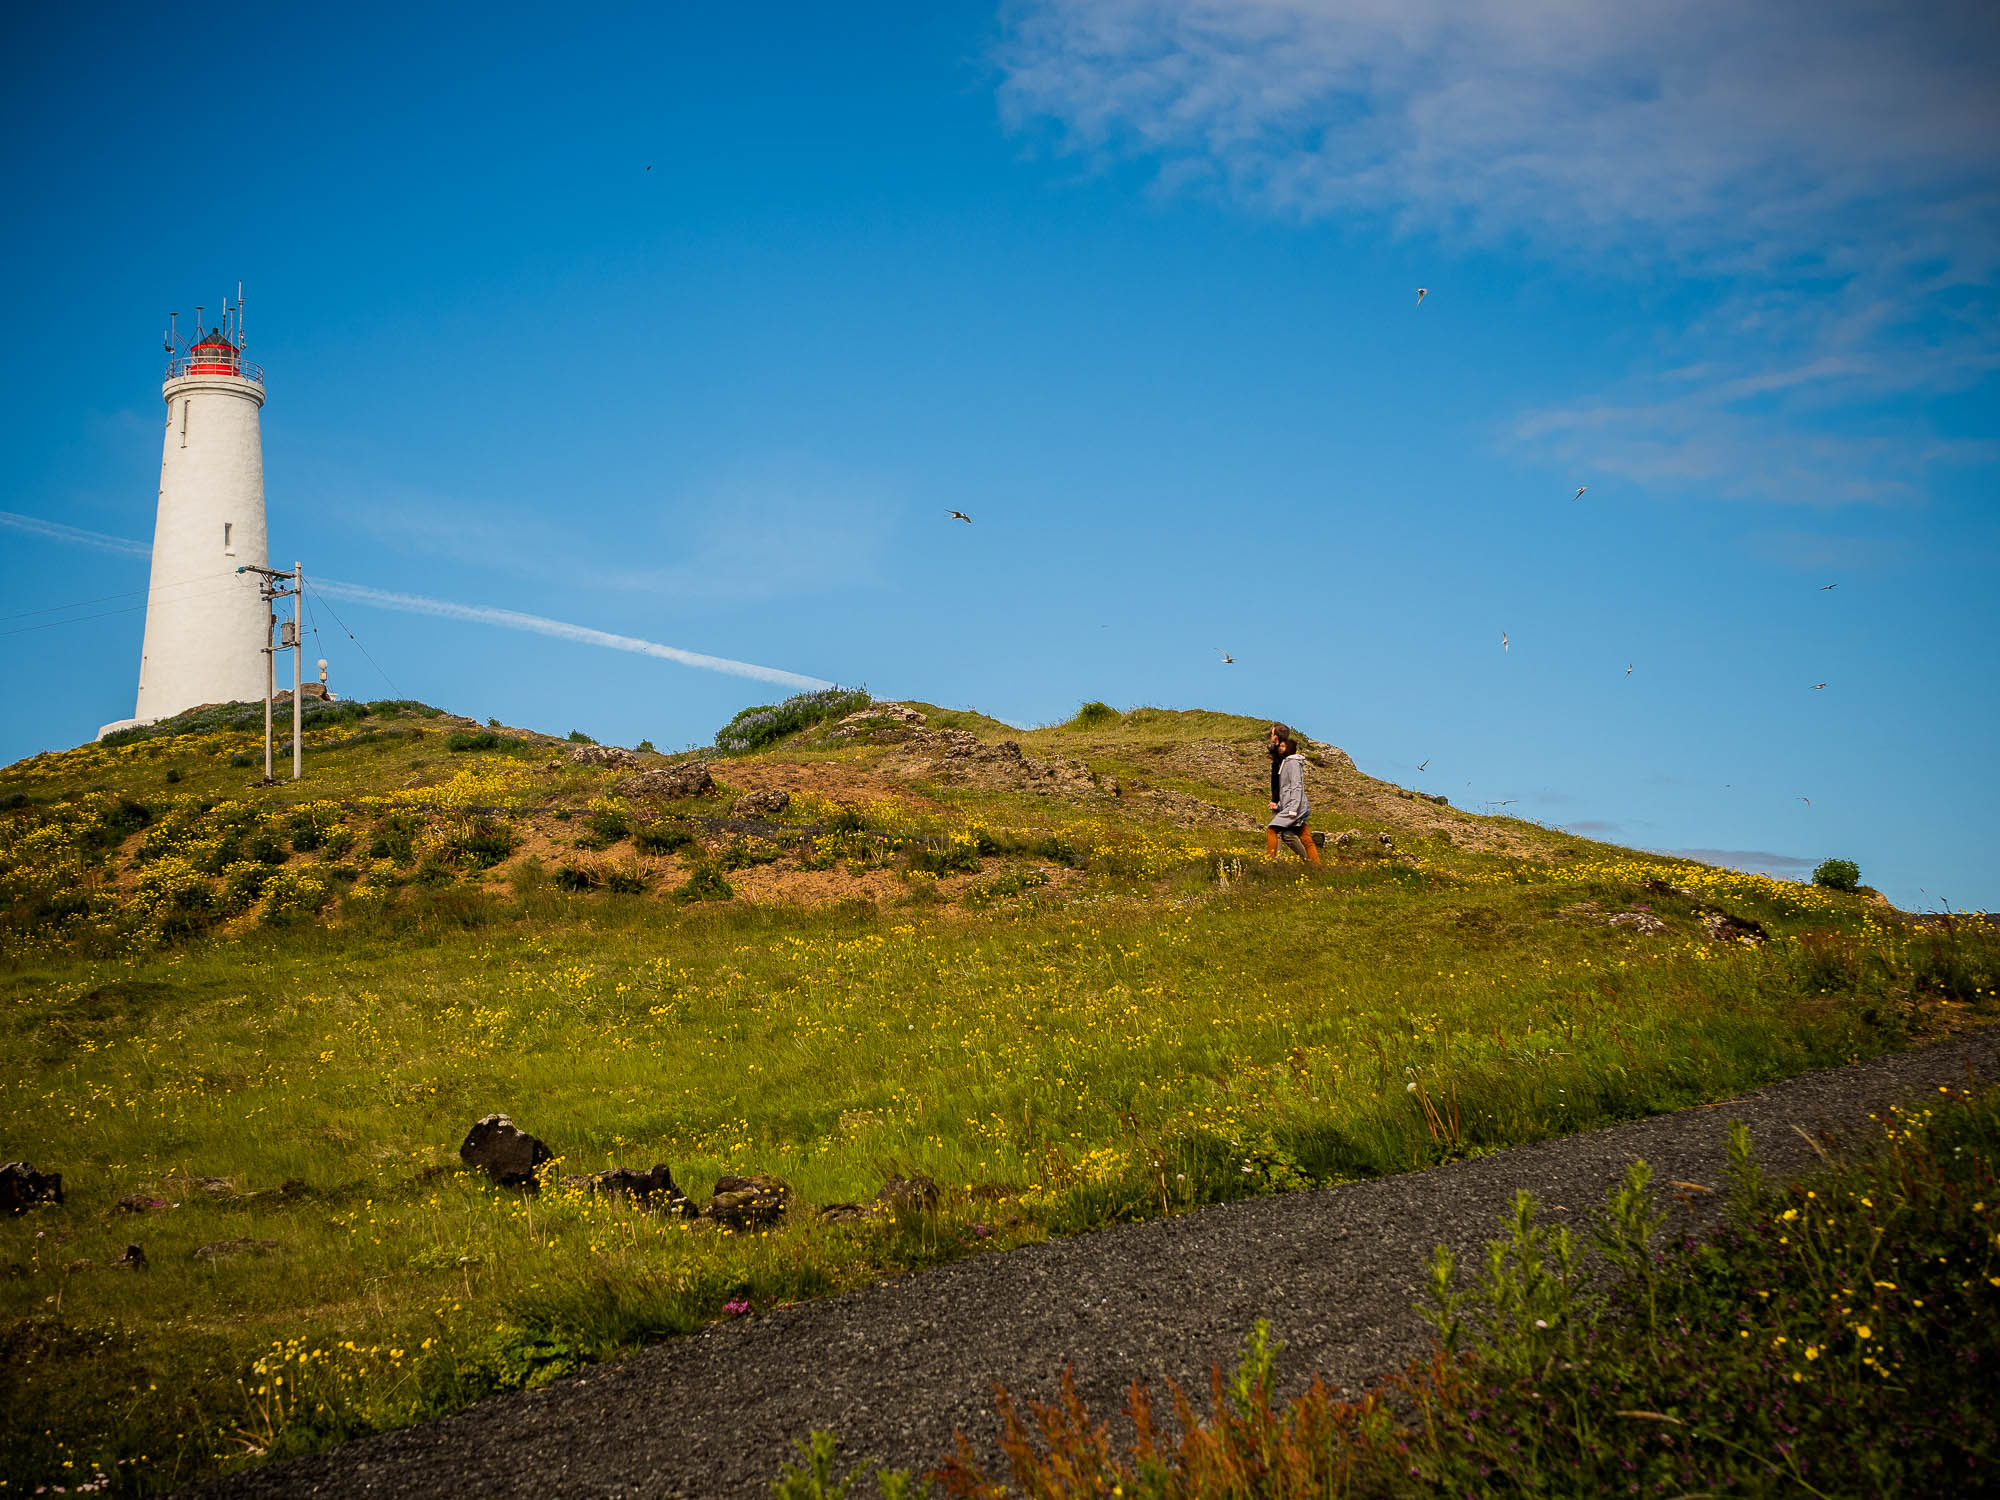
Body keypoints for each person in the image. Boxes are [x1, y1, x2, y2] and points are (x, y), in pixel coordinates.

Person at [1266, 723, 1321, 864]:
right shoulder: (1283, 760)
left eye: (1272, 734)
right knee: (1299, 835)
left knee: (1272, 829)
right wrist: (1278, 804)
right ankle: (1314, 865)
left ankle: (1268, 862)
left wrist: (1293, 808)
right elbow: (1284, 787)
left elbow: (1296, 787)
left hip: (1295, 806)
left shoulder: (1293, 763)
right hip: (1289, 805)